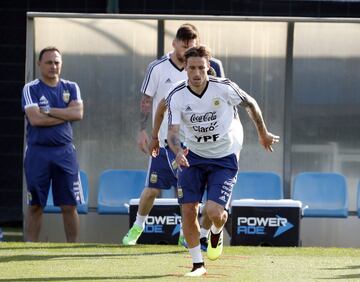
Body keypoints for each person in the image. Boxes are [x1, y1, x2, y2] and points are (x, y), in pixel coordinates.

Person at [166, 45, 280, 277]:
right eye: (191, 68)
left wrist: (263, 133)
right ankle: (198, 265)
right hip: (193, 155)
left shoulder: (224, 88)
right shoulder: (177, 95)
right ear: (185, 69)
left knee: (214, 211)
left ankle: (217, 230)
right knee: (188, 209)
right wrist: (177, 151)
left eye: (201, 68)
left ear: (209, 68)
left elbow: (251, 104)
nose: (196, 73)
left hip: (224, 155)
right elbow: (173, 132)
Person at [122, 23, 224, 246]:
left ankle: (185, 234)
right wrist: (142, 131)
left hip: (196, 143)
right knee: (151, 189)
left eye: (192, 43)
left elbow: (221, 99)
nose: (187, 47)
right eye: (183, 43)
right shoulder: (157, 67)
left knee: (191, 194)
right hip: (164, 141)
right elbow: (147, 100)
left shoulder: (211, 66)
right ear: (174, 43)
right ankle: (137, 228)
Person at [22, 46, 84, 242]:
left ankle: (72, 249)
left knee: (69, 205)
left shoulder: (71, 87)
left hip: (65, 153)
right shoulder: (30, 88)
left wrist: (48, 111)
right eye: (49, 62)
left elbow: (78, 114)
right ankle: (29, 249)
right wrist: (65, 114)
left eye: (57, 62)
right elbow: (35, 120)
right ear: (39, 64)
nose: (53, 66)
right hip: (37, 153)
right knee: (35, 205)